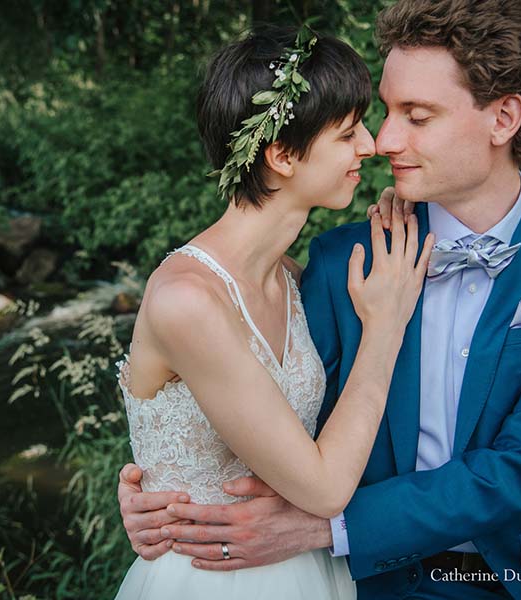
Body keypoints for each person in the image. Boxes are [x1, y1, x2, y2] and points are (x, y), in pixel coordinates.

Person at [118, 1, 521, 599]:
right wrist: (163, 492)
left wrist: (330, 528)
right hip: (374, 583)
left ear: (503, 118)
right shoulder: (338, 264)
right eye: (383, 112)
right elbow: (262, 414)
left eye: (417, 116)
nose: (384, 141)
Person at [113, 24, 434, 600]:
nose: (370, 146)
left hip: (301, 563)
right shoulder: (187, 301)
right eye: (347, 133)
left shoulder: (292, 277)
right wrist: (384, 328)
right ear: (282, 155)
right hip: (211, 581)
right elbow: (326, 489)